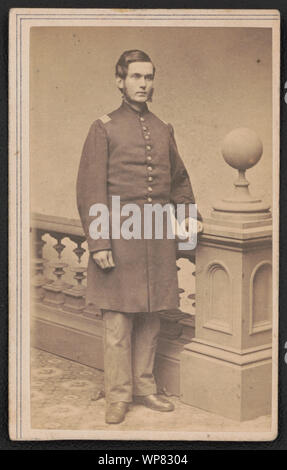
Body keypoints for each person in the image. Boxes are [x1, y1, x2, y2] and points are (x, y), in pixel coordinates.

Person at [76, 50, 202, 424]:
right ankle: (118, 396)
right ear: (120, 81)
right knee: (117, 321)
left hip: (156, 236)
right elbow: (90, 189)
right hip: (118, 236)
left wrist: (186, 228)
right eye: (135, 77)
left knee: (150, 317)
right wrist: (99, 242)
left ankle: (144, 388)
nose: (143, 84)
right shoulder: (104, 127)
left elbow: (180, 183)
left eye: (148, 77)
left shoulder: (164, 129)